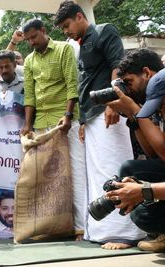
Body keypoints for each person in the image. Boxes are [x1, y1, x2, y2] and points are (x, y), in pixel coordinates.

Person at [54, 1, 146, 249]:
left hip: (110, 112)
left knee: (115, 166)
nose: (66, 31)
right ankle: (102, 229)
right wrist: (83, 120)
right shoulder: (80, 46)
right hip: (91, 117)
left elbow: (118, 66)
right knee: (96, 173)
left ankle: (125, 232)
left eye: (67, 25)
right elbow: (86, 82)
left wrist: (111, 103)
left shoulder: (105, 31)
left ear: (79, 16)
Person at [19, 19, 86, 240]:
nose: (31, 42)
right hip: (41, 124)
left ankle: (81, 227)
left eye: (34, 37)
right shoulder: (29, 60)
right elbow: (30, 94)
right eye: (27, 39)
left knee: (74, 173)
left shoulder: (64, 49)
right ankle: (50, 227)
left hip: (66, 121)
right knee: (46, 177)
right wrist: (28, 124)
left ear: (44, 31)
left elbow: (72, 84)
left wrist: (67, 116)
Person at [104, 50, 165, 252]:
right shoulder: (156, 97)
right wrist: (133, 115)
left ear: (147, 72)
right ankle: (159, 234)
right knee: (132, 174)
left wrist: (144, 190)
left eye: (129, 81)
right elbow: (153, 154)